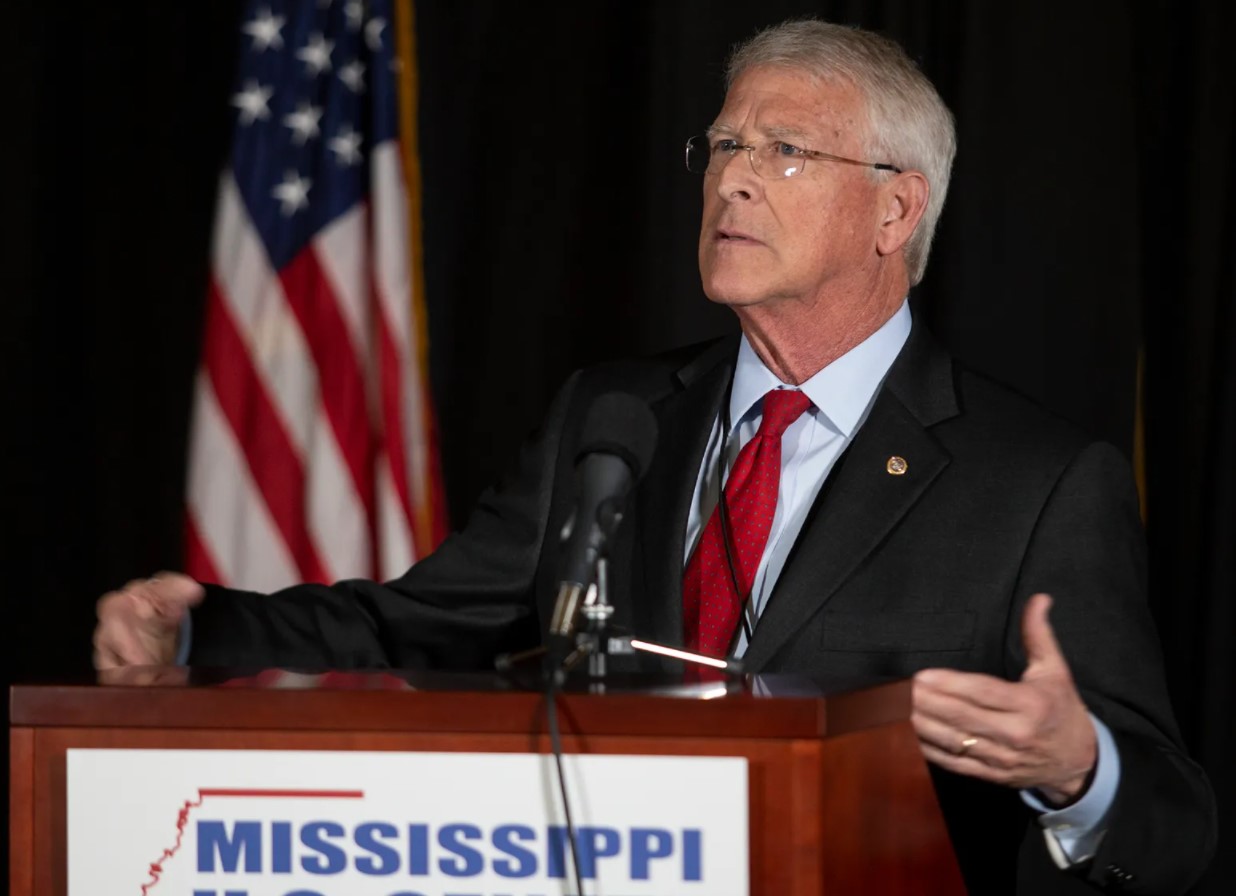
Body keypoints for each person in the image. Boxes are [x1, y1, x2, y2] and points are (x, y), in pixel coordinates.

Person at [94, 18, 1215, 894]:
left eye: (785, 152)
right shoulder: (614, 414)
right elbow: (420, 621)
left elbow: (1175, 831)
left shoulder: (1038, 483)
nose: (731, 178)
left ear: (895, 211)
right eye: (723, 144)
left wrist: (1081, 770)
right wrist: (204, 632)